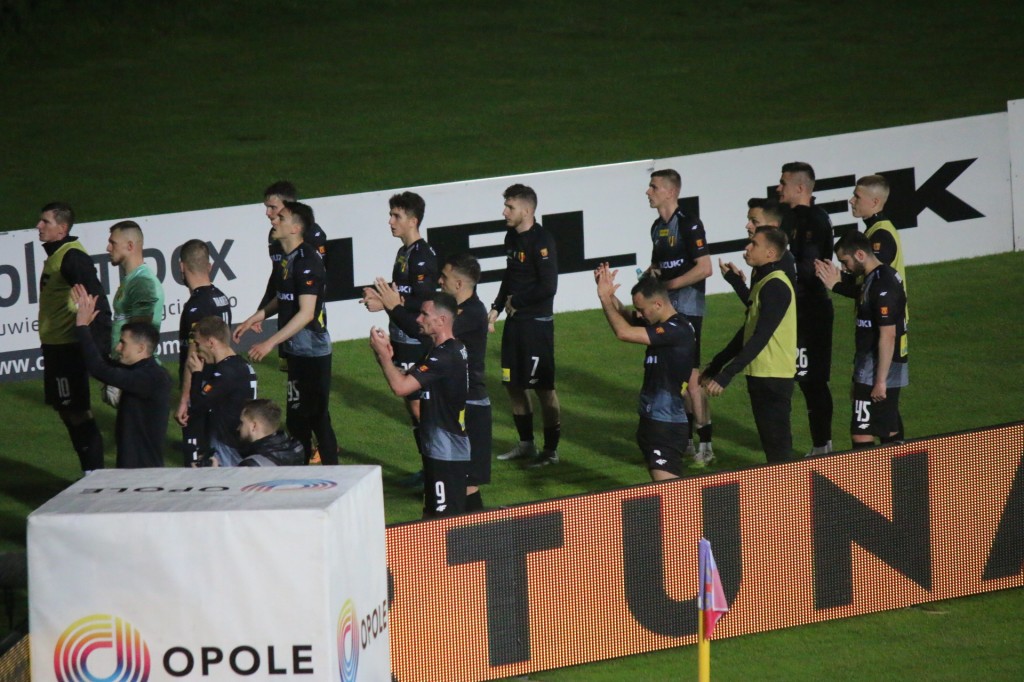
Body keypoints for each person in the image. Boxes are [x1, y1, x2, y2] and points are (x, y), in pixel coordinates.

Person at [366, 252, 491, 511]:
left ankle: (476, 529)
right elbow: (425, 321)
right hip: (450, 402)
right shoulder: (452, 314)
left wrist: (393, 308)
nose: (439, 281)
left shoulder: (471, 313)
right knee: (458, 483)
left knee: (466, 484)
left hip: (469, 406)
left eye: (444, 277)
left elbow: (421, 330)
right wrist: (391, 306)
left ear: (459, 283)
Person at [234, 200, 339, 465]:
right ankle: (302, 473)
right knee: (297, 419)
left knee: (316, 418)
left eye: (281, 218)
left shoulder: (308, 261)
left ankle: (335, 476)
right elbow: (283, 298)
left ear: (295, 228)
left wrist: (269, 342)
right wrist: (256, 317)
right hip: (296, 350)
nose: (273, 220)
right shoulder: (287, 259)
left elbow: (306, 313)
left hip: (312, 352)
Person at [701, 227, 797, 464]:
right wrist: (717, 365)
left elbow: (761, 336)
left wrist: (726, 375)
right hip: (762, 374)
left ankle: (789, 486)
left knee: (778, 448)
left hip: (773, 376)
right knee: (772, 446)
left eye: (754, 244)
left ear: (770, 253)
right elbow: (747, 331)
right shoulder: (765, 282)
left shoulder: (776, 285)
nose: (747, 247)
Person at [370, 293, 471, 517]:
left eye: (424, 314)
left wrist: (383, 357)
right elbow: (408, 377)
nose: (418, 319)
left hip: (446, 451)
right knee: (432, 517)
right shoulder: (444, 350)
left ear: (441, 320)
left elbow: (401, 387)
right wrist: (385, 358)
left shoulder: (444, 357)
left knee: (443, 521)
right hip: (442, 446)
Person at [361, 191, 439, 472]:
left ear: (413, 220)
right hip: (401, 337)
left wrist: (386, 302)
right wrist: (379, 296)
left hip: (416, 341)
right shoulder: (403, 253)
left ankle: (436, 468)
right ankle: (427, 468)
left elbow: (424, 303)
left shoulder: (422, 257)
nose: (390, 221)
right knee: (412, 406)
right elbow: (401, 295)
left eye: (397, 216)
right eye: (391, 215)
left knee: (420, 408)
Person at [595, 265, 696, 481]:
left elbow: (623, 332)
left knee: (670, 494)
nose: (639, 314)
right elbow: (629, 318)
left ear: (658, 304)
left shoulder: (677, 329)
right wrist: (610, 296)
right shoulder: (663, 323)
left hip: (666, 425)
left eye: (642, 309)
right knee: (664, 492)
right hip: (653, 420)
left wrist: (604, 299)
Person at [488, 184, 561, 468]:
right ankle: (526, 444)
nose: (504, 212)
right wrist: (497, 306)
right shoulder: (511, 237)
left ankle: (551, 450)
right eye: (505, 206)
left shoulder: (542, 241)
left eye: (510, 207)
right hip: (515, 323)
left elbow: (548, 286)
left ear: (527, 210)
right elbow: (510, 274)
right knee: (513, 385)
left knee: (543, 388)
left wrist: (517, 301)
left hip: (536, 326)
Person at [36, 202, 113, 473]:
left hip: (67, 348)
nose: (38, 226)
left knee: (77, 411)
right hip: (56, 347)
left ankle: (94, 475)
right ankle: (89, 472)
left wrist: (103, 354)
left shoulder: (72, 258)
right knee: (67, 410)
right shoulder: (58, 255)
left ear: (62, 228)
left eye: (45, 222)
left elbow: (97, 301)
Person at [644, 169, 714, 465]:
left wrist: (668, 285)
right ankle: (685, 440)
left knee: (692, 378)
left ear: (671, 192)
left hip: (687, 309)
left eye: (653, 187)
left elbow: (705, 268)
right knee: (674, 376)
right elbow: (658, 266)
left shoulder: (689, 224)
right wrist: (650, 278)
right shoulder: (656, 227)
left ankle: (706, 445)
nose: (648, 192)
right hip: (665, 311)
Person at [815, 231, 908, 449]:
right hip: (872, 366)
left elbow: (888, 335)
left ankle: (882, 472)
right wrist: (837, 285)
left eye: (845, 261)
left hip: (878, 367)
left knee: (862, 433)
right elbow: (864, 295)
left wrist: (880, 381)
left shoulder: (882, 284)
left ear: (859, 255)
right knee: (887, 426)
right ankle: (902, 470)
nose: (845, 268)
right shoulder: (876, 278)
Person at [72, 285, 170, 468]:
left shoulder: (151, 378)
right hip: (134, 469)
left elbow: (99, 369)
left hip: (142, 473)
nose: (118, 348)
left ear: (141, 348)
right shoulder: (142, 371)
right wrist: (90, 326)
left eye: (123, 343)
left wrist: (82, 327)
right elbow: (103, 361)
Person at [776, 161, 835, 457]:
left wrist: (777, 269)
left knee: (812, 380)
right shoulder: (789, 217)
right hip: (795, 309)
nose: (778, 188)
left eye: (783, 183)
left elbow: (810, 269)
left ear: (800, 187)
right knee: (801, 379)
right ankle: (819, 444)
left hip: (811, 310)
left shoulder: (814, 220)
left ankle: (823, 445)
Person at [174, 239, 233, 466]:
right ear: (209, 266)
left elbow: (194, 356)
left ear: (182, 267)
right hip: (220, 387)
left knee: (197, 461)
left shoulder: (196, 306)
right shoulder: (221, 297)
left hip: (201, 389)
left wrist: (185, 399)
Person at [183, 316, 257, 467]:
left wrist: (196, 373)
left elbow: (197, 405)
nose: (197, 351)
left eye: (198, 344)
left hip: (228, 446)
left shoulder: (225, 372)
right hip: (242, 442)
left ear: (211, 342)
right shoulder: (241, 364)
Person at [106, 220, 165, 407]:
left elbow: (140, 335)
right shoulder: (132, 280)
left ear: (130, 246)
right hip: (132, 368)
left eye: (113, 243)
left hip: (139, 372)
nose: (108, 248)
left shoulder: (142, 283)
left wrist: (123, 375)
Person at [719, 198, 791, 304]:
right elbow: (755, 306)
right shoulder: (764, 260)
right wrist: (736, 281)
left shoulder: (780, 261)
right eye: (749, 220)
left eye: (754, 221)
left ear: (773, 226)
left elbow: (771, 310)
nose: (747, 226)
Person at [236, 399, 306, 467]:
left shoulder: (251, 465)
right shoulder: (296, 450)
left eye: (242, 423)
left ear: (253, 426)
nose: (238, 428)